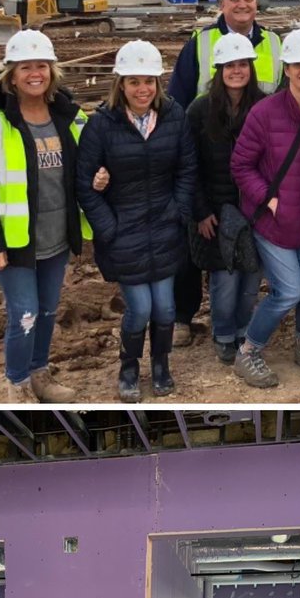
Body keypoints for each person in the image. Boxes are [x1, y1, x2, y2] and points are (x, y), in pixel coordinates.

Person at [0, 28, 99, 403]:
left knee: (48, 311)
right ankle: (17, 385)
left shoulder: (70, 118)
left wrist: (100, 177)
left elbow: (88, 166)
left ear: (52, 71)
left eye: (42, 65)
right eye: (25, 67)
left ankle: (40, 374)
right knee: (25, 314)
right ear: (11, 74)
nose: (35, 73)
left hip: (56, 236)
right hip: (14, 242)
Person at [167, 0, 283, 349]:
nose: (243, 4)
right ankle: (185, 317)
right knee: (200, 255)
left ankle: (240, 328)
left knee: (247, 265)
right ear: (221, 3)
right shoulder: (200, 44)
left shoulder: (274, 43)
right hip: (209, 171)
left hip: (252, 185)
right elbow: (177, 100)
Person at [77, 40, 197, 399]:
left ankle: (161, 365)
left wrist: (178, 212)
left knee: (166, 308)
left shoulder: (174, 117)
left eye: (148, 81)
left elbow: (187, 169)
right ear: (121, 84)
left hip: (164, 227)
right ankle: (129, 367)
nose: (142, 89)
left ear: (158, 83)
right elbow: (84, 184)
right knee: (140, 308)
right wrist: (108, 228)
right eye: (134, 82)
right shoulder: (101, 125)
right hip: (124, 232)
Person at [228, 28, 300, 389]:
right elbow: (240, 165)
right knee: (289, 291)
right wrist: (269, 199)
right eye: (297, 64)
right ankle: (248, 352)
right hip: (273, 223)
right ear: (287, 69)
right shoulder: (265, 113)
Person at [185, 33, 265, 365]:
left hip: (253, 209)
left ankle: (244, 331)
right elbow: (189, 166)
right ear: (219, 70)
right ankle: (223, 335)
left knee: (250, 277)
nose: (236, 71)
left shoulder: (263, 107)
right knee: (225, 279)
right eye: (229, 65)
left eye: (242, 64)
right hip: (215, 212)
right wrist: (201, 211)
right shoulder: (200, 110)